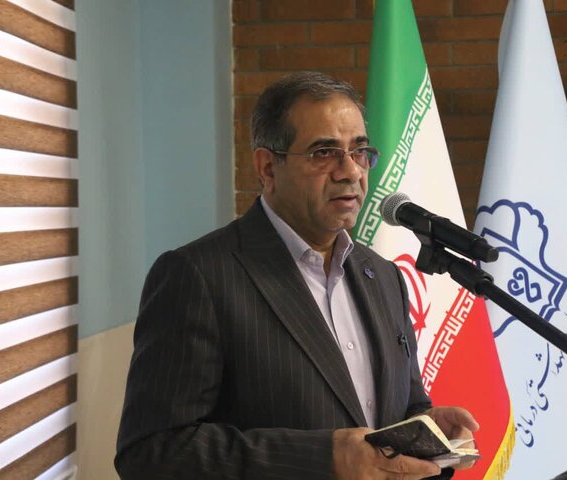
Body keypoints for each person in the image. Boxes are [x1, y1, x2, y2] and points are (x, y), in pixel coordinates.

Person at [115, 71, 479, 479]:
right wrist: (324, 458)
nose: (350, 172)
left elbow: (402, 406)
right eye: (324, 152)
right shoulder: (198, 276)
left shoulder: (384, 276)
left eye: (359, 151)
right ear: (268, 167)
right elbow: (150, 452)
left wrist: (425, 430)